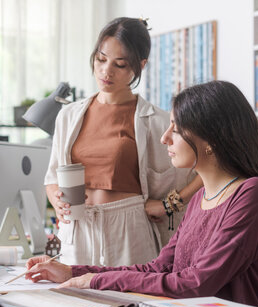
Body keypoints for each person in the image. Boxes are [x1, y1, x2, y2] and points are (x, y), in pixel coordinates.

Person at [27, 80, 258, 307]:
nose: (165, 138)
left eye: (177, 128)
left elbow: (197, 284)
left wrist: (94, 282)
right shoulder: (200, 198)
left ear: (210, 140)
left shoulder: (252, 194)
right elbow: (158, 268)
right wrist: (74, 273)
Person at [45, 17, 202, 267]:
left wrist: (167, 206)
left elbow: (207, 167)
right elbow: (52, 178)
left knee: (129, 302)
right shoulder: (69, 115)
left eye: (119, 64)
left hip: (129, 233)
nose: (106, 71)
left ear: (140, 66)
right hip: (77, 231)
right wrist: (57, 200)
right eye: (101, 59)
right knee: (73, 302)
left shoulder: (159, 122)